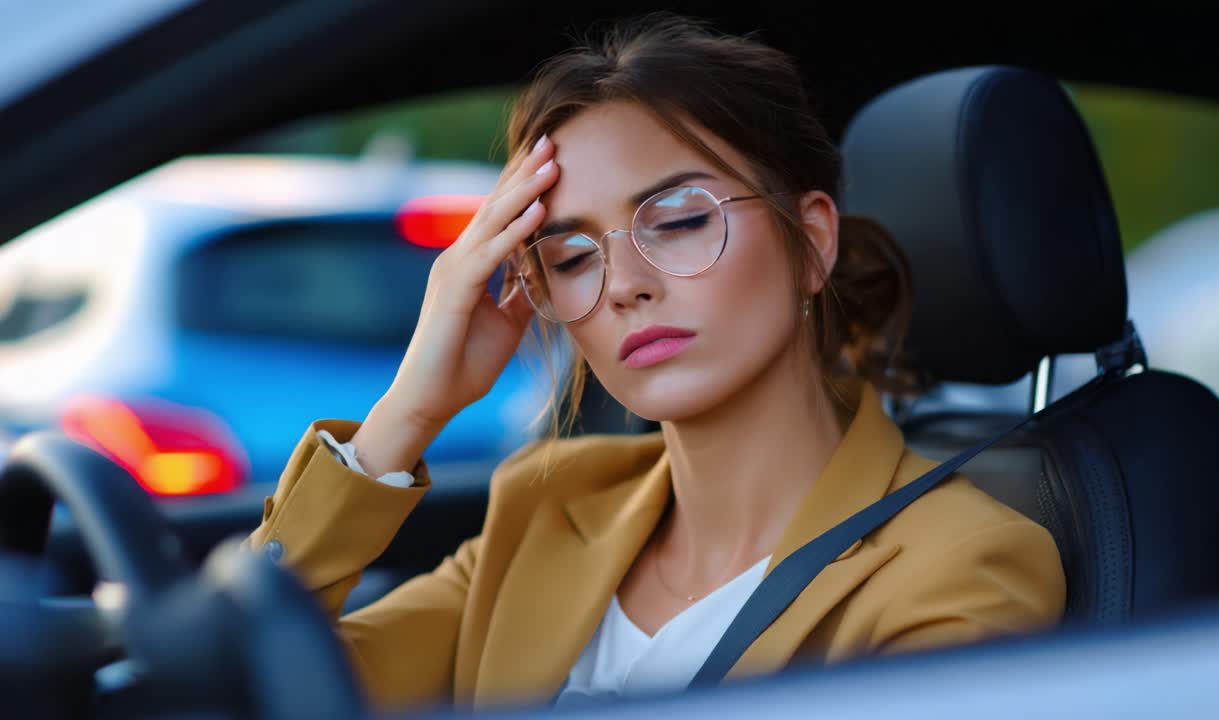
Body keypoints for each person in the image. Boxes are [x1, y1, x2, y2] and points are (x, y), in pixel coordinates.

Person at [246, 12, 1065, 711]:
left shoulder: (964, 562)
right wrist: (408, 413)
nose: (624, 286)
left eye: (677, 221)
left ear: (811, 241)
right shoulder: (546, 508)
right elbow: (251, 684)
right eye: (570, 257)